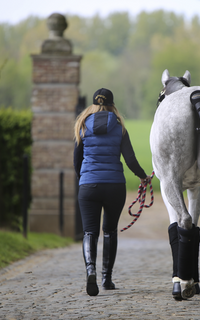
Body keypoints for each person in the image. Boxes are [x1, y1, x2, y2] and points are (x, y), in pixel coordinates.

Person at [74, 88, 150, 296]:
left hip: (89, 185)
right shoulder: (119, 127)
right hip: (115, 185)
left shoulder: (82, 125)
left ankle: (91, 270)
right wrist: (143, 176)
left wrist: (85, 179)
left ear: (94, 104)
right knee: (109, 230)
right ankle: (106, 279)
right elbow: (130, 159)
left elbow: (76, 160)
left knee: (90, 231)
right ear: (112, 104)